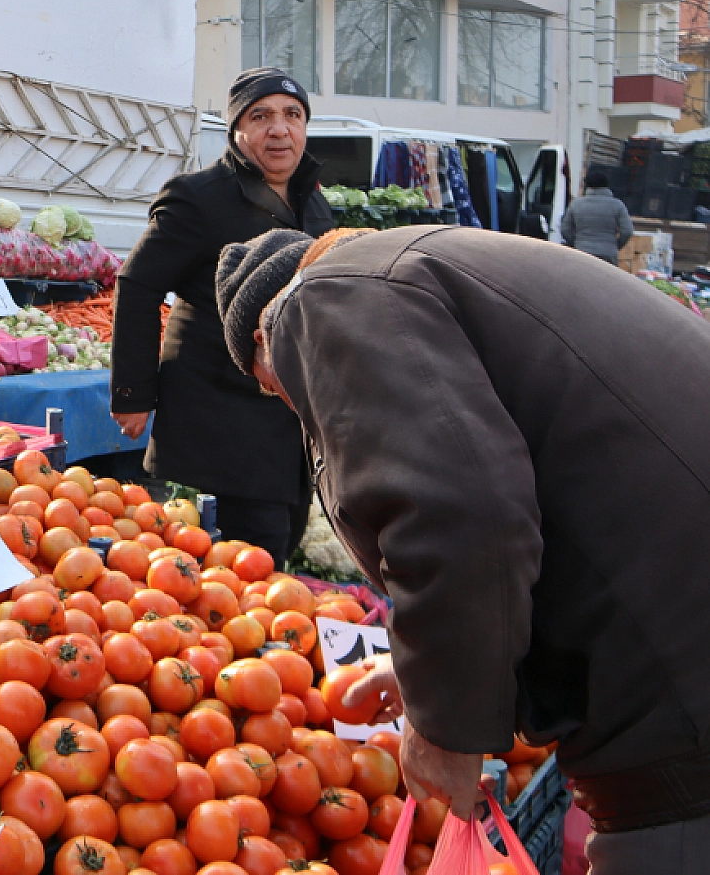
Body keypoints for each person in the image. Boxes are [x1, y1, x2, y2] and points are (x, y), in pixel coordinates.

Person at [217, 223, 710, 872]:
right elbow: (518, 484)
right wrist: (435, 663)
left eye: (273, 388)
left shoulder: (326, 298)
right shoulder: (420, 266)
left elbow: (462, 512)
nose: (292, 405)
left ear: (265, 338)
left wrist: (444, 723)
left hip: (678, 692)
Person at [108, 67, 333, 567]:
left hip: (285, 421)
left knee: (281, 545)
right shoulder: (199, 196)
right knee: (240, 566)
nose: (280, 129)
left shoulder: (313, 202)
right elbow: (137, 284)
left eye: (292, 115)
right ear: (236, 130)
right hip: (215, 418)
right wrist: (133, 393)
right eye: (262, 116)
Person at [561, 168, 634, 265]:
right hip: (608, 253)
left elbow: (565, 230)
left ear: (587, 185)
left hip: (582, 252)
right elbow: (627, 231)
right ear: (607, 185)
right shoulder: (618, 205)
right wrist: (615, 245)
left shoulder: (576, 204)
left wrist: (576, 243)